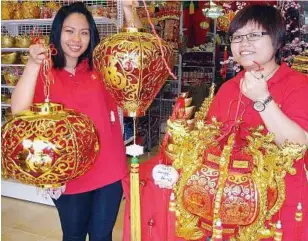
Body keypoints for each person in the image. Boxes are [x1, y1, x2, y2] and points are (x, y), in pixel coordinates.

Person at [122, 4, 308, 241]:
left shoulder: (298, 85)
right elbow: (209, 145)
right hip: (227, 210)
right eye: (237, 37)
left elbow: (299, 144)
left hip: (278, 210)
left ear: (277, 39)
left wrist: (263, 99)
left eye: (254, 35)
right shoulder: (229, 88)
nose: (244, 43)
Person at [11, 2, 141, 241]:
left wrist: (130, 11)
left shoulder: (102, 66)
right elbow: (18, 111)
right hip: (66, 174)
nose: (76, 39)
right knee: (73, 235)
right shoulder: (44, 70)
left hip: (109, 168)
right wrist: (32, 63)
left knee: (102, 235)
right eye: (69, 31)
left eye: (84, 32)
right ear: (58, 32)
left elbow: (135, 50)